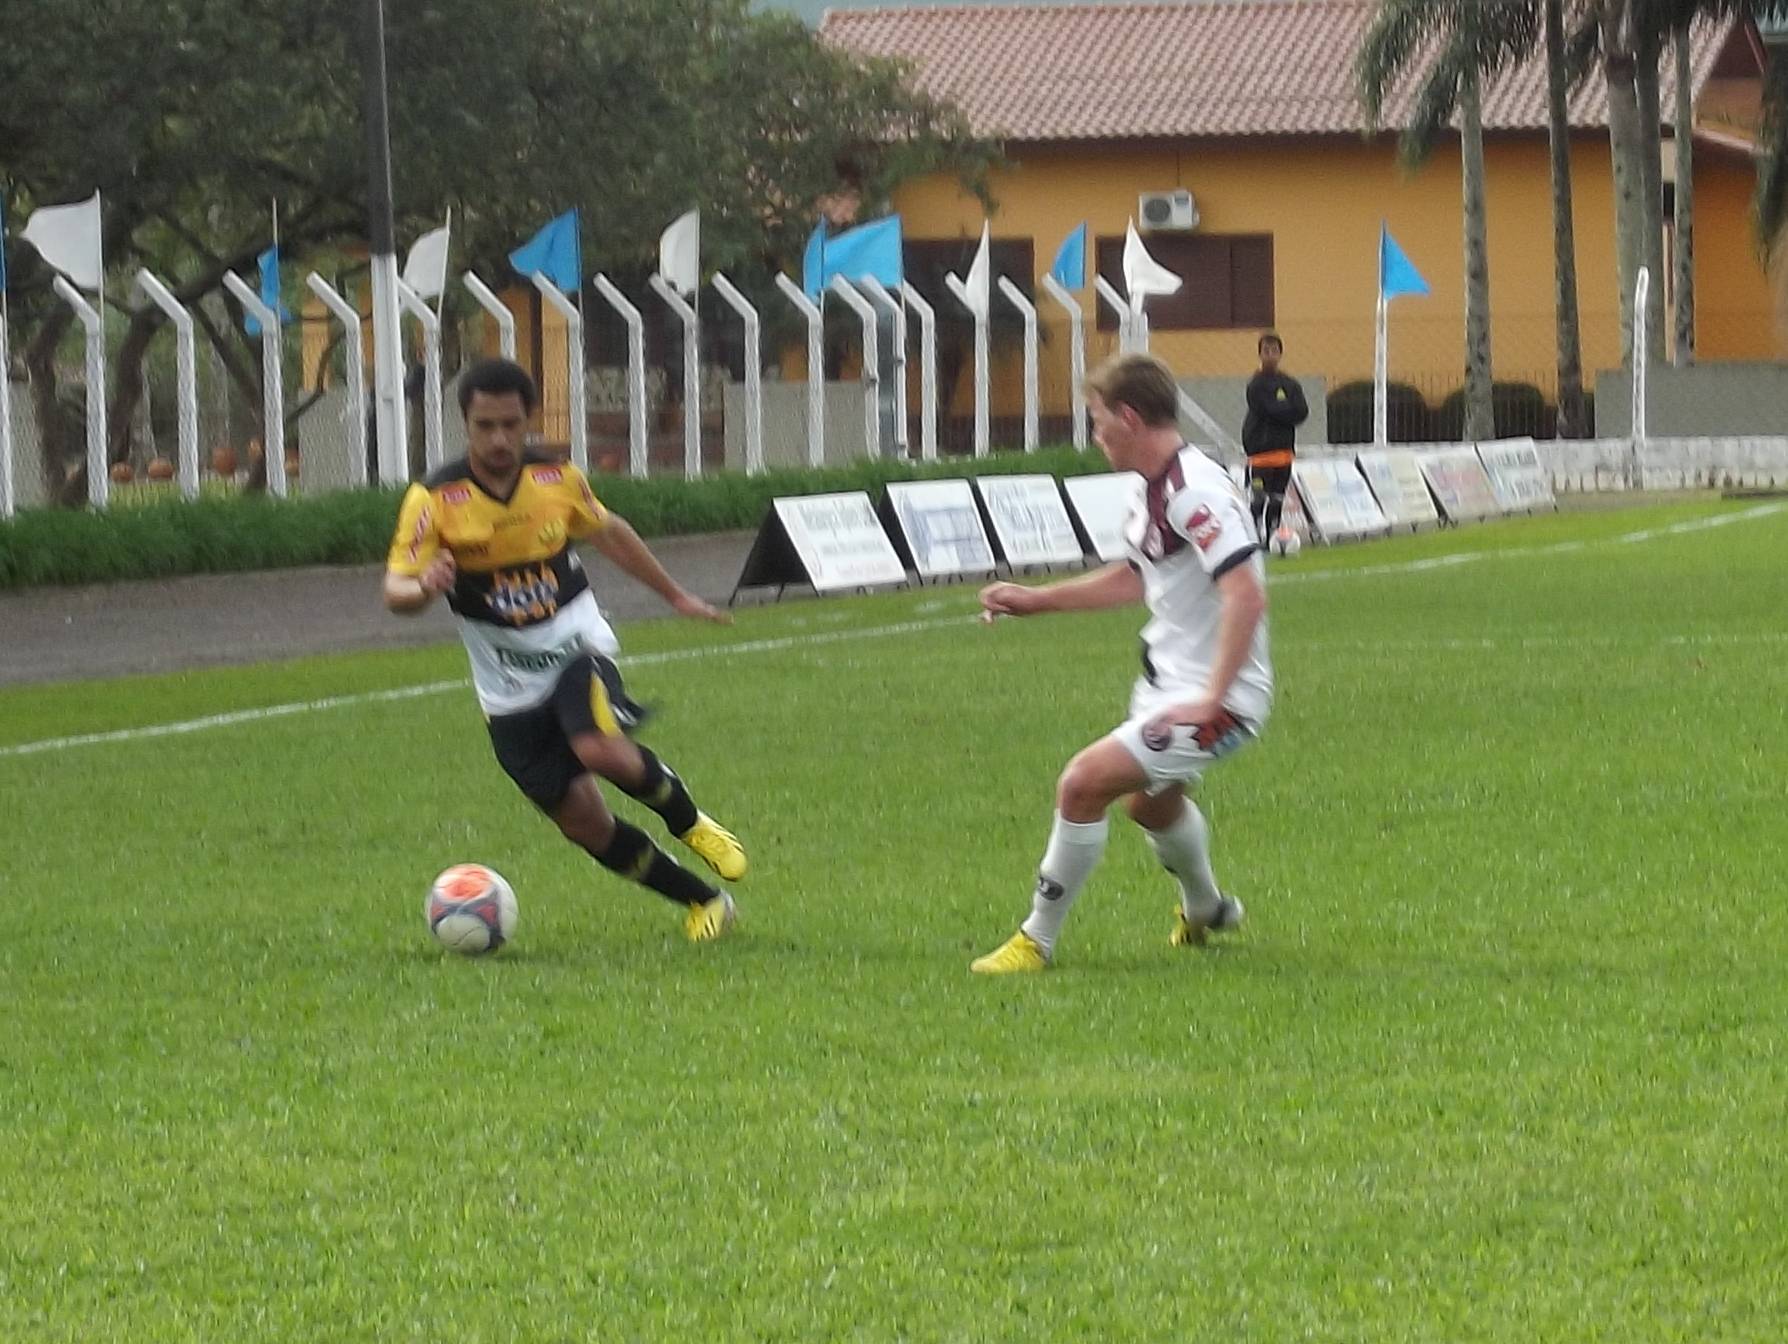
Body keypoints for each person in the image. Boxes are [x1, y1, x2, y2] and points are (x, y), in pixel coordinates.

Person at [383, 357, 747, 943]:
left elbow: (609, 532)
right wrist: (422, 588)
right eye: (485, 426)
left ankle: (691, 822)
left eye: (510, 424)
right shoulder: (435, 499)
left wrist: (675, 595)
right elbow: (395, 587)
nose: (499, 439)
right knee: (586, 824)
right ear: (466, 425)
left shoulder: (556, 478)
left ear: (528, 420)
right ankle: (706, 902)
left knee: (598, 748)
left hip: (576, 646)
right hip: (506, 689)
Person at [971, 353, 1272, 974]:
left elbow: (1245, 591)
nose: (1095, 433)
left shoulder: (1196, 493)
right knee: (1148, 804)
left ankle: (1037, 940)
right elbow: (1137, 580)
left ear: (1128, 417)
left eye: (1096, 419)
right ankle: (1206, 909)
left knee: (1082, 783)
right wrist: (1037, 601)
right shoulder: (1156, 489)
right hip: (1168, 684)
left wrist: (1214, 697)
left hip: (1222, 699)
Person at [1241, 332, 1308, 543]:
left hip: (1283, 452)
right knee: (1259, 499)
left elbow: (1301, 412)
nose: (1270, 355)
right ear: (1259, 354)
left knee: (1277, 499)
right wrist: (1283, 410)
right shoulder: (1255, 385)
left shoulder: (1291, 384)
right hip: (1260, 453)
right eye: (1266, 351)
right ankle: (1251, 539)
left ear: (1281, 354)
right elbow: (1266, 409)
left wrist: (1280, 410)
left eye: (1274, 351)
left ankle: (1272, 537)